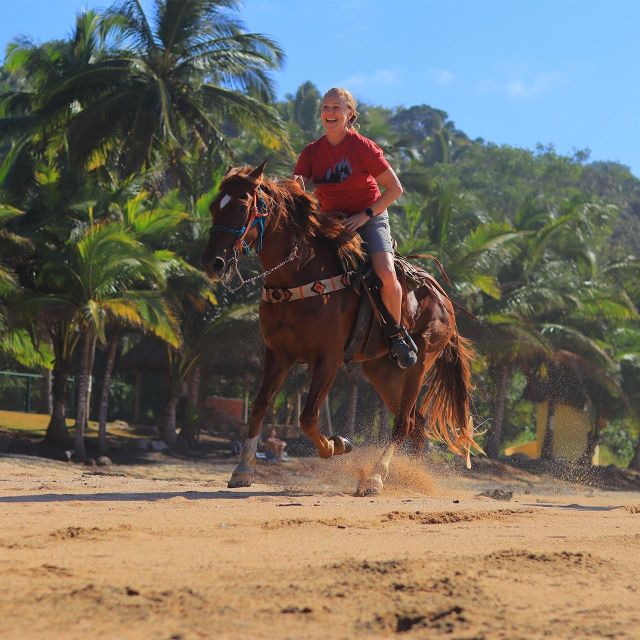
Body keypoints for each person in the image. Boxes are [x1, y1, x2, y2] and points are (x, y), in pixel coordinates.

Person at [293, 87, 417, 368]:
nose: (330, 113)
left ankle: (396, 334)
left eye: (337, 107)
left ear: (350, 113)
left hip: (369, 216)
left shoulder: (362, 147)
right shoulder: (312, 152)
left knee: (385, 271)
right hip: (331, 221)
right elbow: (296, 189)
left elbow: (395, 189)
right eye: (326, 107)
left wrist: (366, 214)